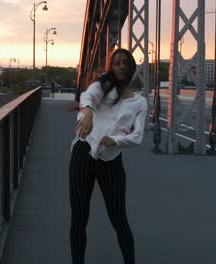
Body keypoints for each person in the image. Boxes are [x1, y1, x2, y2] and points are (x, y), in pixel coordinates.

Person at [69, 48, 147, 264]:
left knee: (119, 219)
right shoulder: (104, 86)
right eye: (117, 63)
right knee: (79, 218)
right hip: (83, 153)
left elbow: (138, 136)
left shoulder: (139, 103)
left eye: (125, 63)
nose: (121, 66)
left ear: (132, 68)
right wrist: (88, 113)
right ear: (111, 68)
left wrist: (116, 140)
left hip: (111, 160)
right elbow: (88, 97)